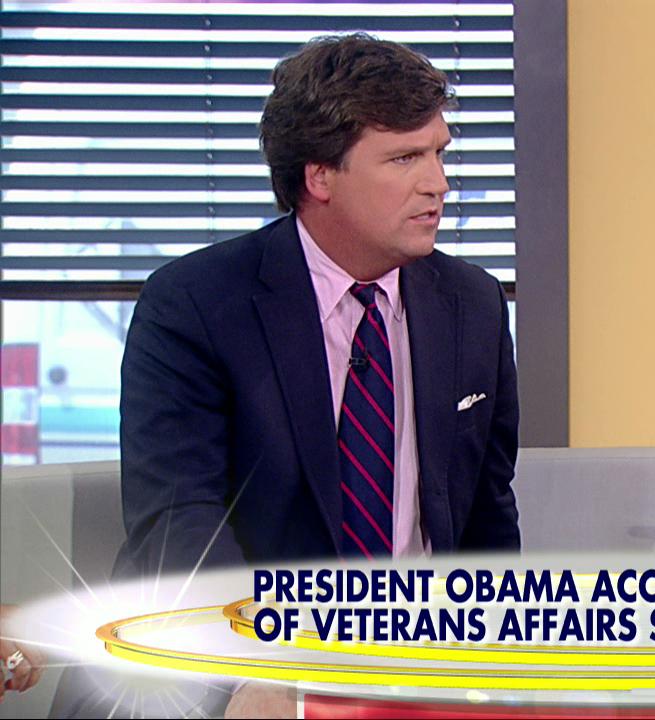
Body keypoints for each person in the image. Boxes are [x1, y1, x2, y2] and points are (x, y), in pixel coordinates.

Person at [115, 34, 519, 577]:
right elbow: (181, 523)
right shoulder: (194, 308)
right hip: (252, 624)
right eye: (405, 158)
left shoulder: (474, 305)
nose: (439, 184)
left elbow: (489, 521)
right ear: (320, 175)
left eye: (439, 154)